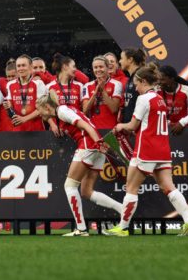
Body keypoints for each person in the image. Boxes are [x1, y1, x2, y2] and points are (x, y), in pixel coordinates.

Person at [103, 64, 188, 237]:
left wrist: (119, 126)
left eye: (137, 84)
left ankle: (123, 228)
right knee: (169, 187)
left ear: (143, 81)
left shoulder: (144, 99)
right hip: (162, 149)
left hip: (146, 149)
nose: (136, 88)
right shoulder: (159, 99)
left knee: (131, 188)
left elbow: (132, 126)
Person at [36, 93, 123, 237]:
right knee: (86, 191)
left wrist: (97, 142)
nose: (38, 113)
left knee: (69, 186)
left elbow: (85, 125)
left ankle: (81, 229)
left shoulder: (62, 111)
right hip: (95, 146)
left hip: (89, 145)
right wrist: (99, 142)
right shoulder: (64, 110)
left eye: (39, 109)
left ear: (46, 107)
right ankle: (123, 209)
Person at [3, 55, 48, 131]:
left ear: (30, 67)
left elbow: (42, 108)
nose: (20, 68)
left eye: (23, 65)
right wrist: (8, 107)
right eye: (18, 66)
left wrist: (24, 119)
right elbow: (10, 110)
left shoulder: (38, 84)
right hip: (18, 129)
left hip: (36, 129)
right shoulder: (10, 84)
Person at [82, 55, 123, 130]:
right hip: (93, 130)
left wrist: (103, 90)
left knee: (111, 142)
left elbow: (114, 109)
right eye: (95, 67)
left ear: (107, 68)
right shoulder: (87, 86)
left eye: (101, 67)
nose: (98, 70)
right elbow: (85, 111)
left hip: (111, 129)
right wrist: (95, 93)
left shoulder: (117, 84)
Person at [157, 65, 188, 135]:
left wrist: (182, 123)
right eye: (158, 79)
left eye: (162, 79)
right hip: (162, 130)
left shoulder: (186, 90)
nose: (159, 82)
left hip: (183, 129)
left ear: (172, 79)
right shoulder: (156, 90)